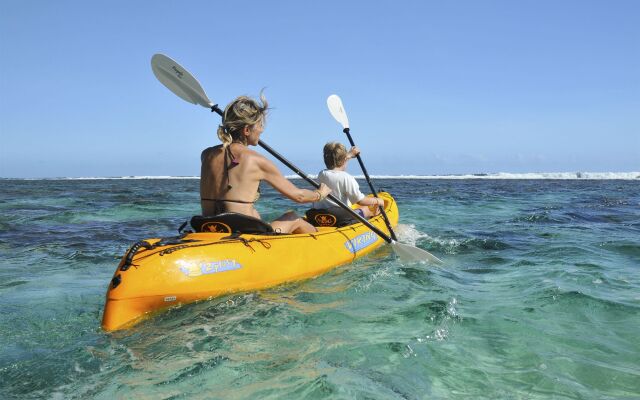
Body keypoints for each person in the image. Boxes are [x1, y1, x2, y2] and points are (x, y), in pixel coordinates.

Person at [200, 93, 331, 234]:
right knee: (293, 217)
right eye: (260, 125)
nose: (262, 129)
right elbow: (298, 196)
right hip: (245, 233)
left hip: (209, 228)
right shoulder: (257, 161)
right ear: (246, 130)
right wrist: (319, 194)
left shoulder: (206, 155)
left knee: (256, 214)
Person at [312, 142, 384, 218]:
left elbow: (337, 162)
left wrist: (349, 155)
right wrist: (378, 201)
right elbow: (360, 201)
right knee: (366, 209)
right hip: (340, 218)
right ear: (344, 159)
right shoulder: (347, 178)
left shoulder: (321, 174)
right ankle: (374, 217)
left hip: (319, 216)